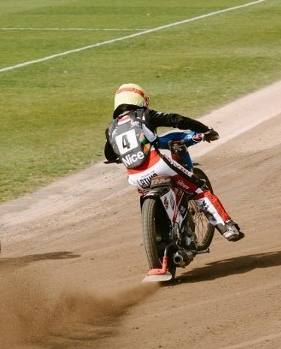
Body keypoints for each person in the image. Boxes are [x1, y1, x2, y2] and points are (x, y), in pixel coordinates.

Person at [104, 83, 244, 243]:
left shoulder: (111, 128)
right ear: (140, 100)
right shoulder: (143, 114)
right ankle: (226, 226)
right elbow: (177, 120)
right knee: (198, 188)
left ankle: (159, 237)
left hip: (135, 178)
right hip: (158, 166)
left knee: (145, 194)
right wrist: (205, 129)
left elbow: (109, 153)